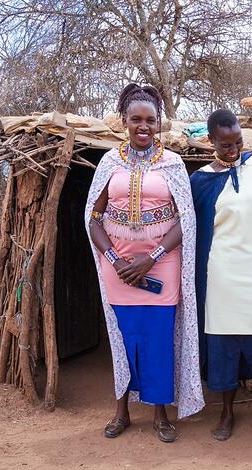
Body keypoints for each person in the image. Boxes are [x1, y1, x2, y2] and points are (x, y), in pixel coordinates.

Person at [85, 83, 204, 443]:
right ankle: (120, 410)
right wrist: (114, 258)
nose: (143, 126)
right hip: (117, 266)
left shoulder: (172, 163)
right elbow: (93, 217)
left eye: (150, 120)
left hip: (162, 265)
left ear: (159, 123)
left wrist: (150, 258)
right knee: (123, 336)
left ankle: (160, 412)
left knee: (158, 338)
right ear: (124, 121)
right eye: (136, 119)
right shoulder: (109, 162)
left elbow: (186, 218)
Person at [190, 109, 252, 441]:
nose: (233, 149)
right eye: (225, 144)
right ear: (212, 141)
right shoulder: (200, 180)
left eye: (237, 142)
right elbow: (196, 232)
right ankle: (227, 412)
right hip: (223, 272)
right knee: (225, 342)